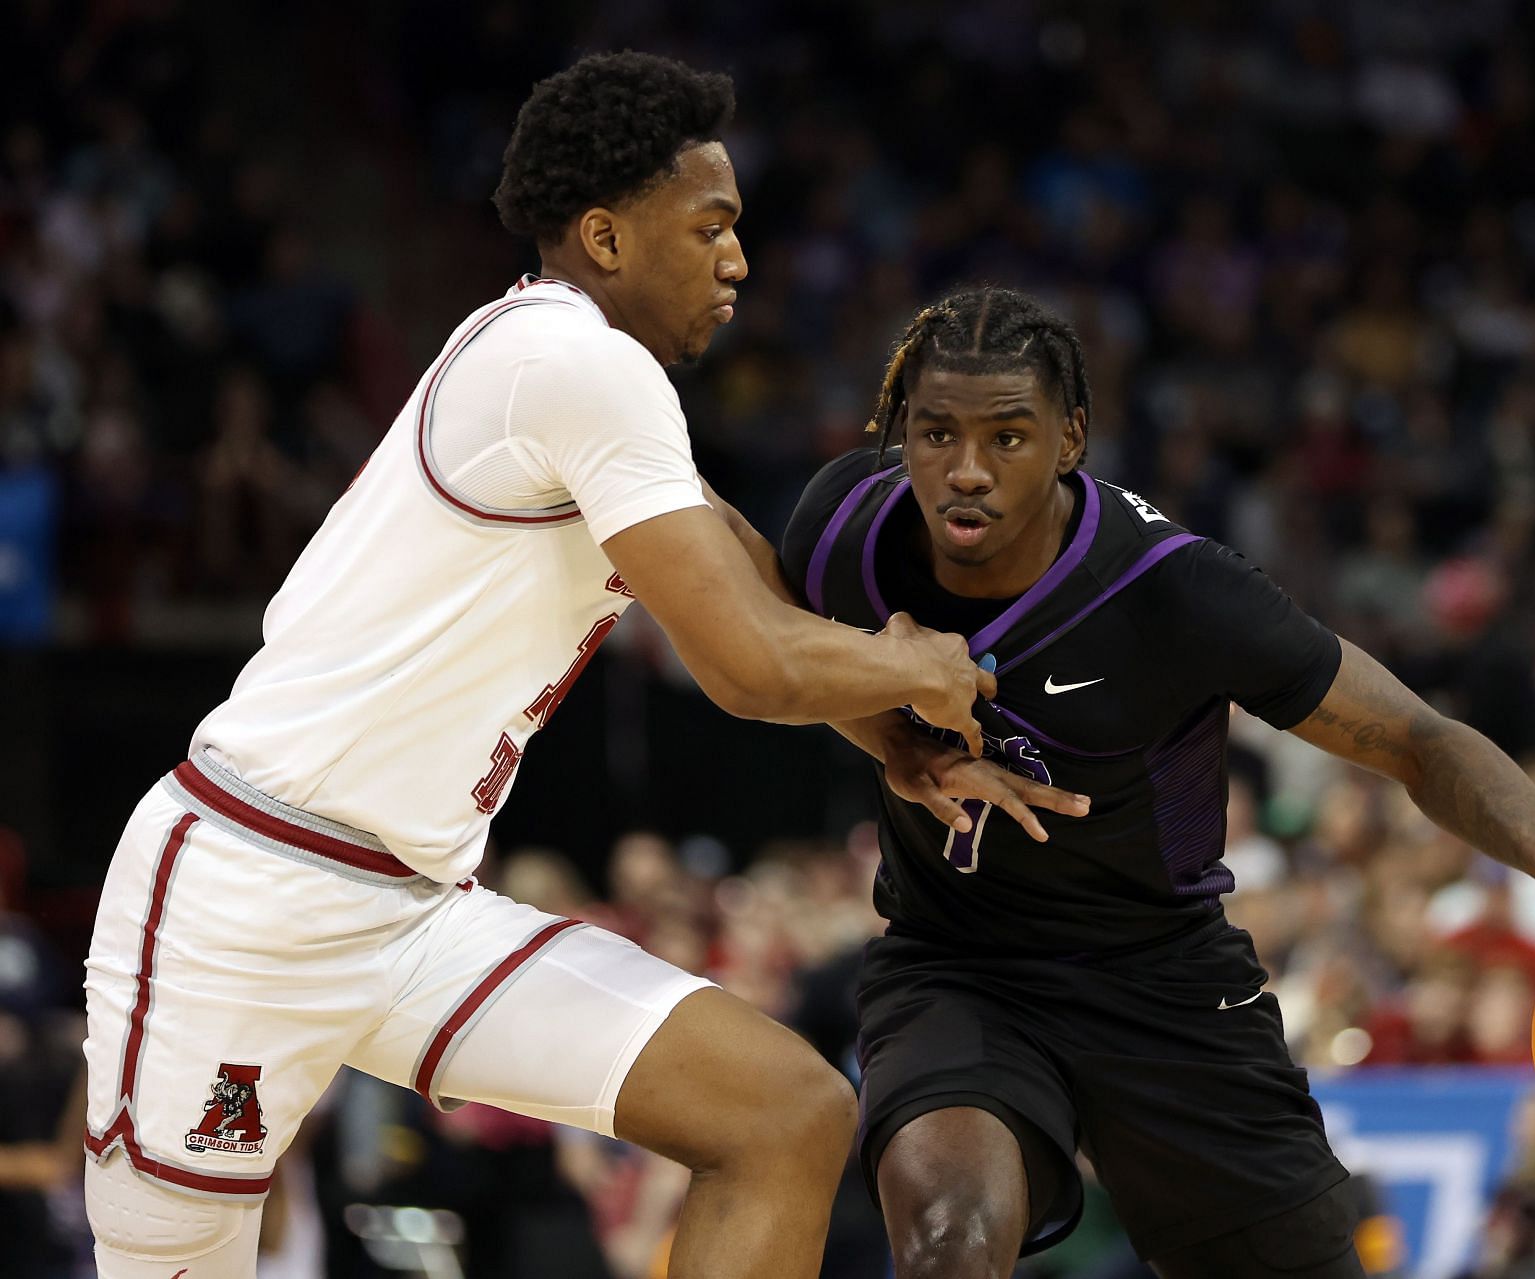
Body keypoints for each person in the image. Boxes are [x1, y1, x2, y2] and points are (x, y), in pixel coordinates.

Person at [80, 53, 1009, 1279]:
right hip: (250, 890)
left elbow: (753, 589)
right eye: (712, 226)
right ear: (606, 236)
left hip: (411, 909)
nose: (739, 261)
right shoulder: (572, 362)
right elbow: (750, 665)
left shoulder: (593, 380)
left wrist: (894, 742)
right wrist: (924, 668)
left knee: (784, 1112)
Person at [778, 286, 1535, 1279]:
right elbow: (757, 644)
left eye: (1008, 436)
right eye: (935, 433)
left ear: (1071, 438)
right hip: (958, 966)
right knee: (947, 1244)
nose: (967, 470)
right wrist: (886, 734)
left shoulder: (1174, 590)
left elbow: (1416, 739)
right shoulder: (845, 527)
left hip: (1161, 979)